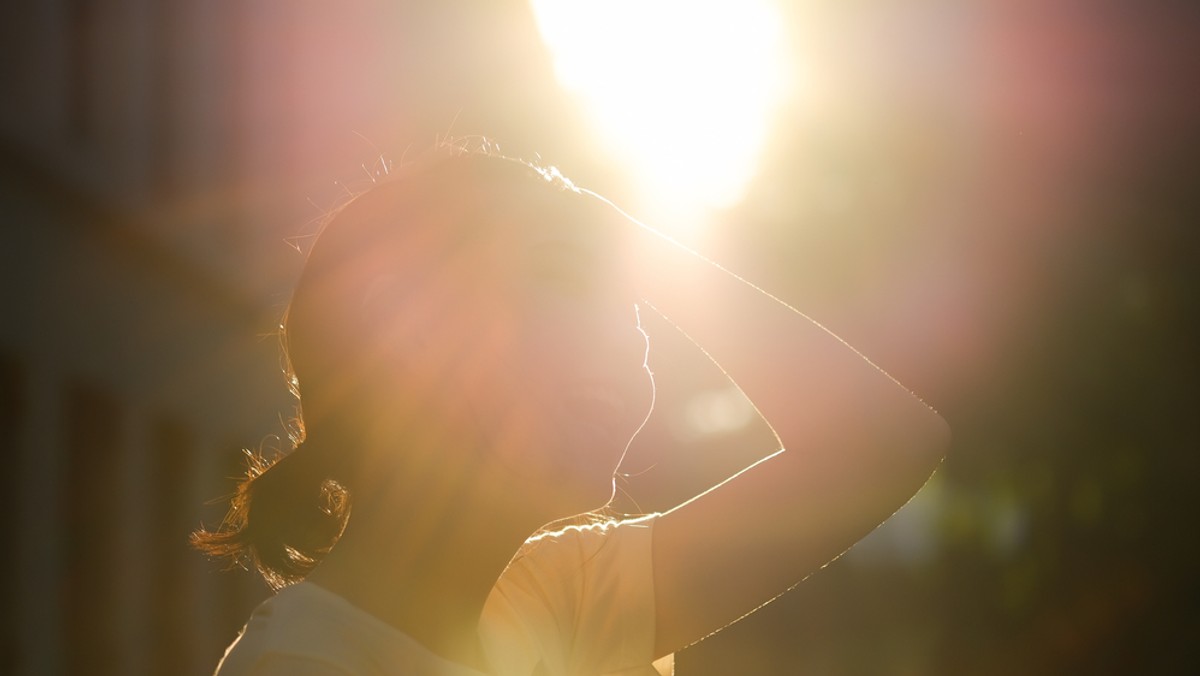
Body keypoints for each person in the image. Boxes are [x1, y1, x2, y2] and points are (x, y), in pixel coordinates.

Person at [194, 146, 949, 675]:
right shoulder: (307, 664)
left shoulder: (560, 596)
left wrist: (623, 231)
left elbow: (885, 442)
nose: (627, 348)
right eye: (563, 278)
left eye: (636, 310)